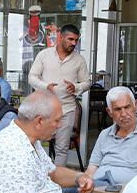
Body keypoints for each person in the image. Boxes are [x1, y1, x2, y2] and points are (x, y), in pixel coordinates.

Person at [62, 86, 137, 193]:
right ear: (109, 112)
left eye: (127, 107)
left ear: (135, 105)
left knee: (65, 189)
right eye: (118, 109)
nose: (124, 114)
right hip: (99, 192)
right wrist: (86, 183)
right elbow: (92, 169)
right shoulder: (105, 134)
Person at [27, 24, 91, 167]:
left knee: (62, 149)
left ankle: (56, 183)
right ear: (60, 37)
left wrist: (76, 87)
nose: (73, 43)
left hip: (66, 109)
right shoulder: (44, 55)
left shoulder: (79, 59)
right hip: (44, 109)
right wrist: (46, 86)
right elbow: (32, 77)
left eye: (76, 40)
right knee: (34, 145)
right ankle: (35, 175)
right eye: (70, 39)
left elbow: (87, 82)